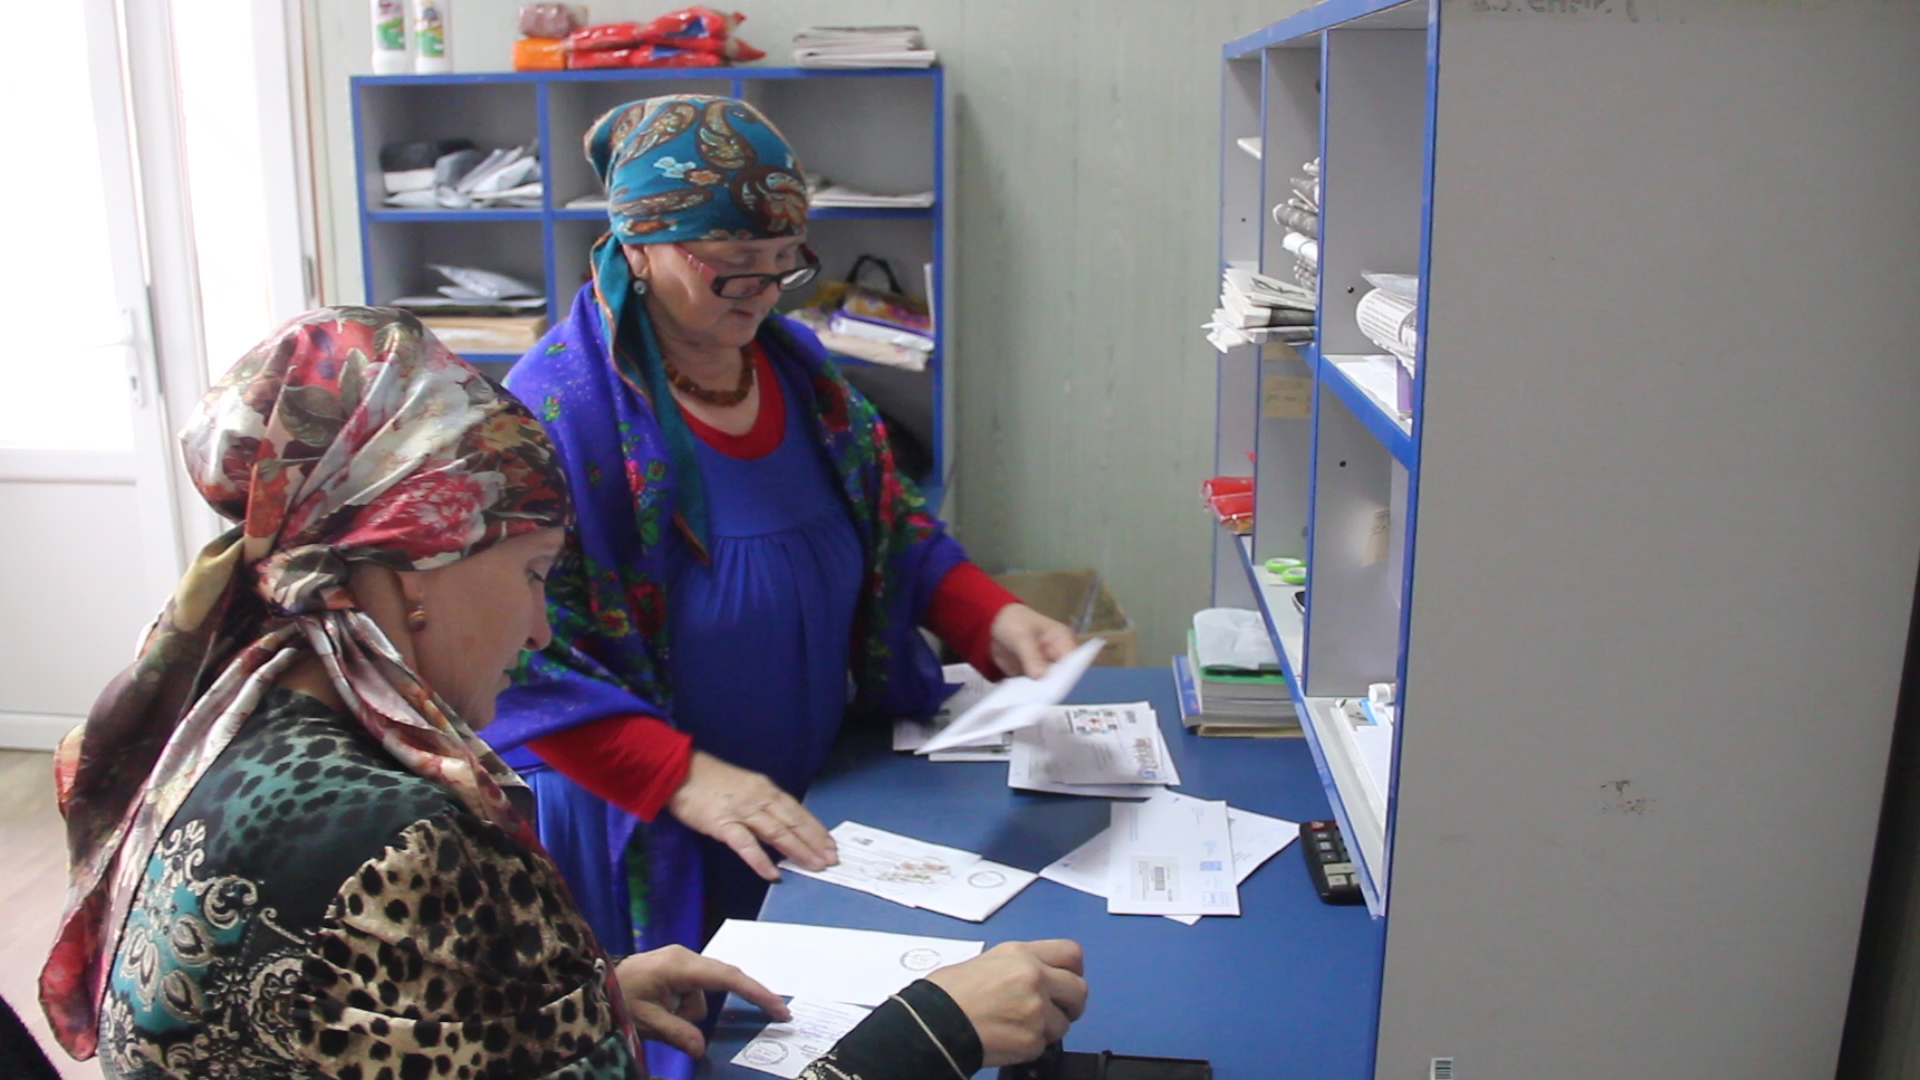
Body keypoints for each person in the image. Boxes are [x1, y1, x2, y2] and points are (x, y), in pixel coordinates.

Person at [37, 308, 1089, 1079]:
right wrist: (934, 1031)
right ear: (419, 570)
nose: (543, 630)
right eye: (536, 575)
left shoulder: (230, 724)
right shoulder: (410, 841)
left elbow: (369, 1023)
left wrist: (573, 1008)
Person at [482, 91, 1080, 989]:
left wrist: (987, 615)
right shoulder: (559, 414)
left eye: (783, 261)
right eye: (732, 268)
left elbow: (888, 526)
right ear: (639, 246)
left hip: (812, 795)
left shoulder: (801, 376)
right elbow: (517, 657)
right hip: (649, 812)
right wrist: (680, 775)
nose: (763, 293)